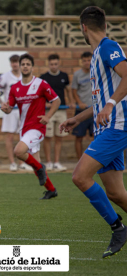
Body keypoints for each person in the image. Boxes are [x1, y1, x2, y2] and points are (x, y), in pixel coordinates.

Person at [60, 6, 127, 258]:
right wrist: (77, 118)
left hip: (116, 127)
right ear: (105, 24)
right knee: (116, 193)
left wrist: (111, 104)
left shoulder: (108, 47)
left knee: (80, 176)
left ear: (83, 28)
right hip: (106, 129)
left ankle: (118, 228)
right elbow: (101, 101)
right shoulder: (100, 52)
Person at [1, 54, 60, 200]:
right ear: (20, 67)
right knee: (34, 162)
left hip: (37, 128)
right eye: (23, 64)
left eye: (28, 64)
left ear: (32, 67)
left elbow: (56, 100)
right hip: (24, 129)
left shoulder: (41, 84)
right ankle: (51, 190)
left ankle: (41, 168)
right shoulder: (15, 88)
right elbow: (9, 108)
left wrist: (47, 117)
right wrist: (5, 108)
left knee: (19, 151)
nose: (25, 66)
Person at [0, 54, 32, 172]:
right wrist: (2, 103)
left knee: (24, 136)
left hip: (24, 110)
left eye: (17, 62)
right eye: (13, 62)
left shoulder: (26, 76)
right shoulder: (5, 77)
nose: (15, 64)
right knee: (9, 136)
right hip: (10, 110)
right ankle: (12, 163)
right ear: (10, 63)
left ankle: (22, 162)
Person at [40, 54, 74, 171]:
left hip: (61, 110)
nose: (53, 66)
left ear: (59, 63)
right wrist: (45, 104)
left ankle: (56, 162)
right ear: (48, 64)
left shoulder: (64, 76)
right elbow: (40, 94)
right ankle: (48, 162)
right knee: (48, 137)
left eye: (55, 64)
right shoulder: (44, 77)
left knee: (59, 136)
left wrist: (71, 102)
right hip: (48, 111)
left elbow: (68, 91)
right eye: (51, 64)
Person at [71, 51, 94, 159]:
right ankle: (79, 161)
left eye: (89, 60)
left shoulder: (97, 72)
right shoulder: (77, 74)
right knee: (78, 137)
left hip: (95, 110)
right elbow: (74, 90)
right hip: (81, 110)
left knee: (96, 137)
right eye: (84, 60)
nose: (86, 63)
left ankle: (93, 160)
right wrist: (79, 103)